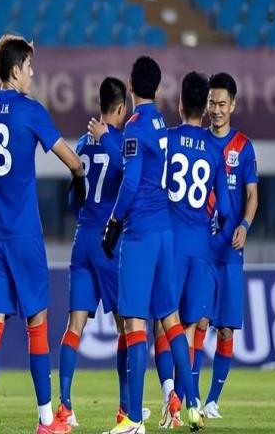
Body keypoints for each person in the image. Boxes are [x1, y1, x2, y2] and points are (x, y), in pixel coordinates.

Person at [0, 34, 85, 434]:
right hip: (24, 234)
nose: (33, 73)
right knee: (37, 320)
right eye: (30, 66)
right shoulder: (31, 110)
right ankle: (45, 419)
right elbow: (70, 159)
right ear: (16, 69)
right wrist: (81, 175)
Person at [90, 56, 204, 434]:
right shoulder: (160, 124)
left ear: (130, 84)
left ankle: (134, 420)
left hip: (139, 232)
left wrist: (113, 221)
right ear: (156, 87)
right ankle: (193, 406)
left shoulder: (136, 126)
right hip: (165, 232)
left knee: (135, 324)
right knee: (170, 320)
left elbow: (131, 181)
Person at [153, 71, 230, 428]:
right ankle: (191, 403)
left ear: (181, 103)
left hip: (169, 246)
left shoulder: (167, 141)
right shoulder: (216, 151)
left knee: (162, 326)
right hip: (200, 248)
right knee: (186, 330)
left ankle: (171, 399)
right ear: (205, 107)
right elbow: (225, 211)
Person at [56, 76, 134, 426]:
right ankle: (125, 409)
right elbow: (131, 180)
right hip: (109, 242)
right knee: (125, 326)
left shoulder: (82, 144)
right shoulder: (122, 143)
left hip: (82, 239)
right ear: (120, 108)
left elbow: (73, 199)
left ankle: (65, 406)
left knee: (74, 325)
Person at [193, 72, 259, 419]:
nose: (215, 110)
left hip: (231, 251)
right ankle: (191, 398)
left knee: (226, 328)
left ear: (233, 105)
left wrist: (244, 225)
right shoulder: (198, 143)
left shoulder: (243, 147)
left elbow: (252, 196)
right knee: (199, 322)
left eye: (221, 103)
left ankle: (212, 401)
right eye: (211, 103)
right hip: (202, 250)